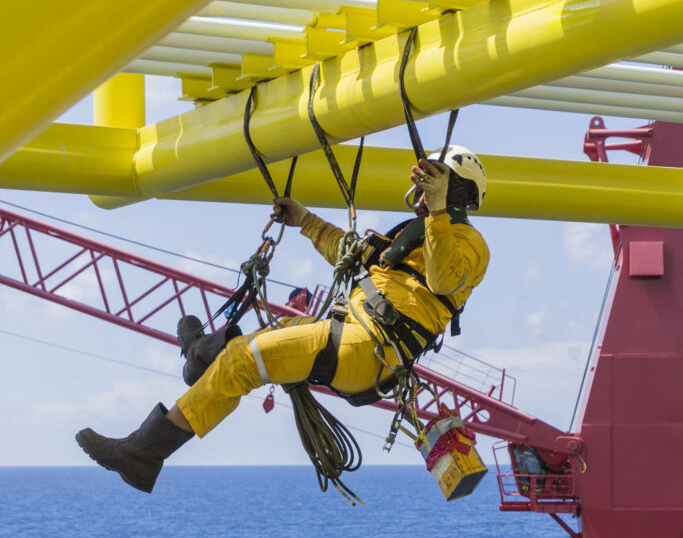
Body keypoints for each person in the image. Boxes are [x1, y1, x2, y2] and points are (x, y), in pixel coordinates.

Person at [76, 148, 490, 492]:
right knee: (262, 341)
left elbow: (442, 277)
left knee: (242, 362)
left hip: (369, 348)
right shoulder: (412, 237)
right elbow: (352, 255)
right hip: (352, 335)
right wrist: (305, 221)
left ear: (455, 190)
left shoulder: (469, 243)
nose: (422, 188)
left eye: (435, 182)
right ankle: (201, 355)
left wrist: (436, 213)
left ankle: (143, 455)